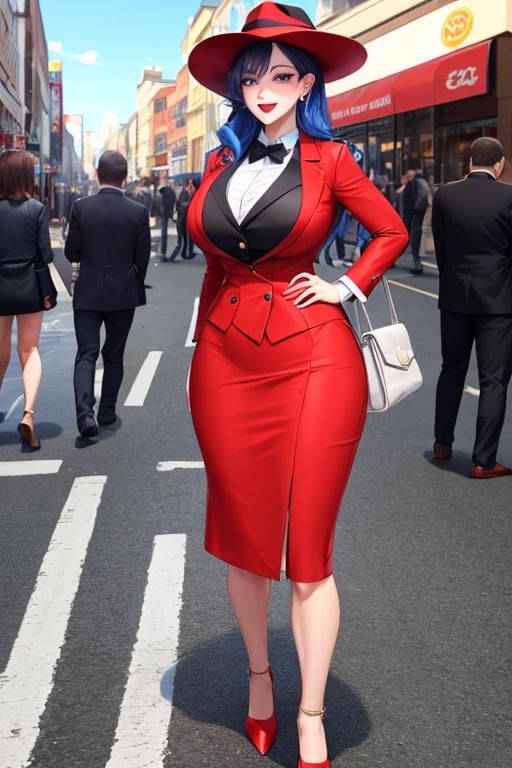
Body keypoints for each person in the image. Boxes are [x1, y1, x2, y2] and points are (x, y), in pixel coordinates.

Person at [186, 5, 408, 767]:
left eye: (281, 74)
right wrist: (199, 342)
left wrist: (346, 287)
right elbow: (216, 265)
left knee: (307, 551)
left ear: (306, 81)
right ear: (238, 89)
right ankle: (258, 681)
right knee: (246, 548)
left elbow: (392, 232)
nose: (265, 87)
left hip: (315, 358)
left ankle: (310, 712)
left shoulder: (331, 159)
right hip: (222, 365)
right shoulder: (218, 164)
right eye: (252, 76)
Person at [431, 136, 512, 479]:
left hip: (454, 295)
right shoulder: (509, 196)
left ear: (469, 162)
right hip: (498, 299)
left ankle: (442, 443)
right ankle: (483, 460)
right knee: (493, 379)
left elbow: (441, 247)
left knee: (451, 369)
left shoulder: (445, 194)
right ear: (500, 164)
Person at [64, 150, 150, 438]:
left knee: (86, 353)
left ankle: (84, 413)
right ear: (125, 178)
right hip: (123, 293)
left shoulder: (81, 207)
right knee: (114, 355)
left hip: (87, 291)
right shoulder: (138, 212)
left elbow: (71, 252)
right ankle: (107, 410)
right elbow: (143, 258)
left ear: (97, 175)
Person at [0, 149, 53, 450]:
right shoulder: (36, 209)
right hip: (28, 287)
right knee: (29, 349)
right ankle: (29, 414)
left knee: (0, 350)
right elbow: (45, 254)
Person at [399, 168, 429, 274]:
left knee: (410, 237)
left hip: (413, 213)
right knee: (413, 236)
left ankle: (417, 264)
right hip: (417, 212)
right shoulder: (422, 183)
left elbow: (406, 200)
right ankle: (417, 263)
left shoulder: (414, 183)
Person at [166, 178, 195, 261]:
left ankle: (185, 254)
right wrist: (190, 201)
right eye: (190, 184)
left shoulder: (186, 193)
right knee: (180, 240)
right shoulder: (184, 193)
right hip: (181, 220)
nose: (191, 186)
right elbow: (183, 206)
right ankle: (172, 257)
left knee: (185, 239)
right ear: (187, 185)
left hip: (183, 220)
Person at [158, 181, 176, 259]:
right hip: (170, 213)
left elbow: (161, 204)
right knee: (165, 233)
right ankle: (166, 251)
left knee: (163, 233)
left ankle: (163, 251)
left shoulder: (163, 194)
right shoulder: (172, 192)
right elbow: (174, 200)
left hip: (164, 214)